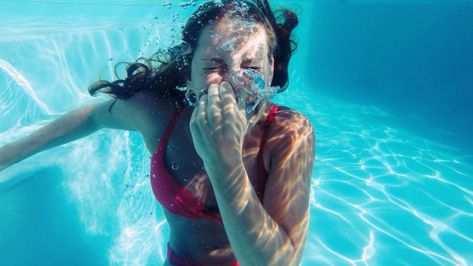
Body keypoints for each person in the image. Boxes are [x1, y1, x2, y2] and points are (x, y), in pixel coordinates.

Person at [0, 0, 315, 265]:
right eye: (213, 66)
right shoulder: (162, 116)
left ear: (271, 69)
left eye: (251, 67)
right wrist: (8, 154)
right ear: (189, 73)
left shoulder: (286, 134)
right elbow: (92, 117)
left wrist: (224, 162)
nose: (233, 82)